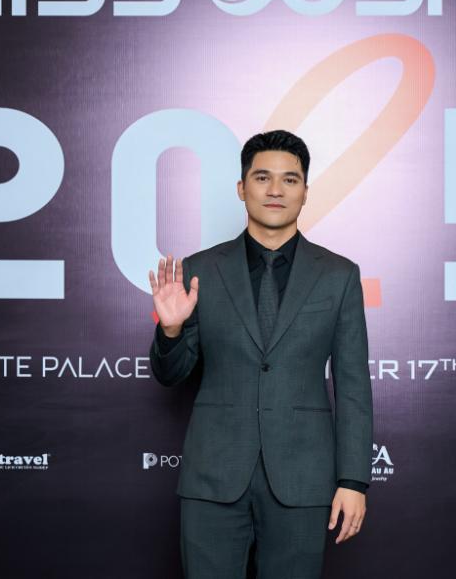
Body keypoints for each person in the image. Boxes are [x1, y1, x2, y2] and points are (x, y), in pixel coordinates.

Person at [148, 130, 373, 579]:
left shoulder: (339, 275)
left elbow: (353, 386)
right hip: (213, 477)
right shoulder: (199, 270)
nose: (276, 190)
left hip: (302, 478)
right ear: (241, 188)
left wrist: (352, 481)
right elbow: (171, 374)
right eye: (262, 177)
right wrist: (170, 330)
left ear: (305, 191)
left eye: (290, 180)